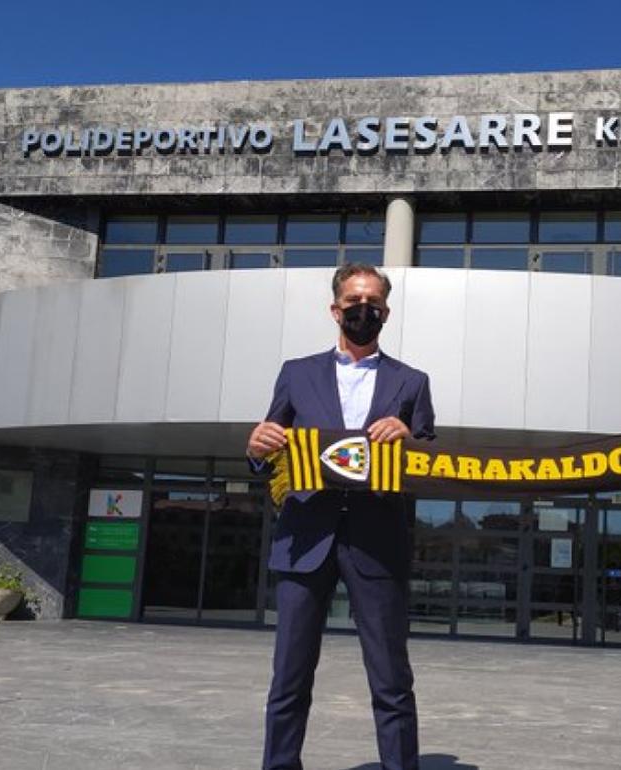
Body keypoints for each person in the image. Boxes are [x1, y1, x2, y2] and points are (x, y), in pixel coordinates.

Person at [247, 263, 435, 770]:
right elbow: (269, 444)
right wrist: (257, 446)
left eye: (372, 302)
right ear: (335, 309)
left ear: (386, 313)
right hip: (305, 538)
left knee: (392, 679)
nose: (362, 309)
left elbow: (433, 462)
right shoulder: (296, 373)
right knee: (289, 676)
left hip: (377, 542)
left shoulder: (412, 382)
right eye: (353, 301)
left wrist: (410, 438)